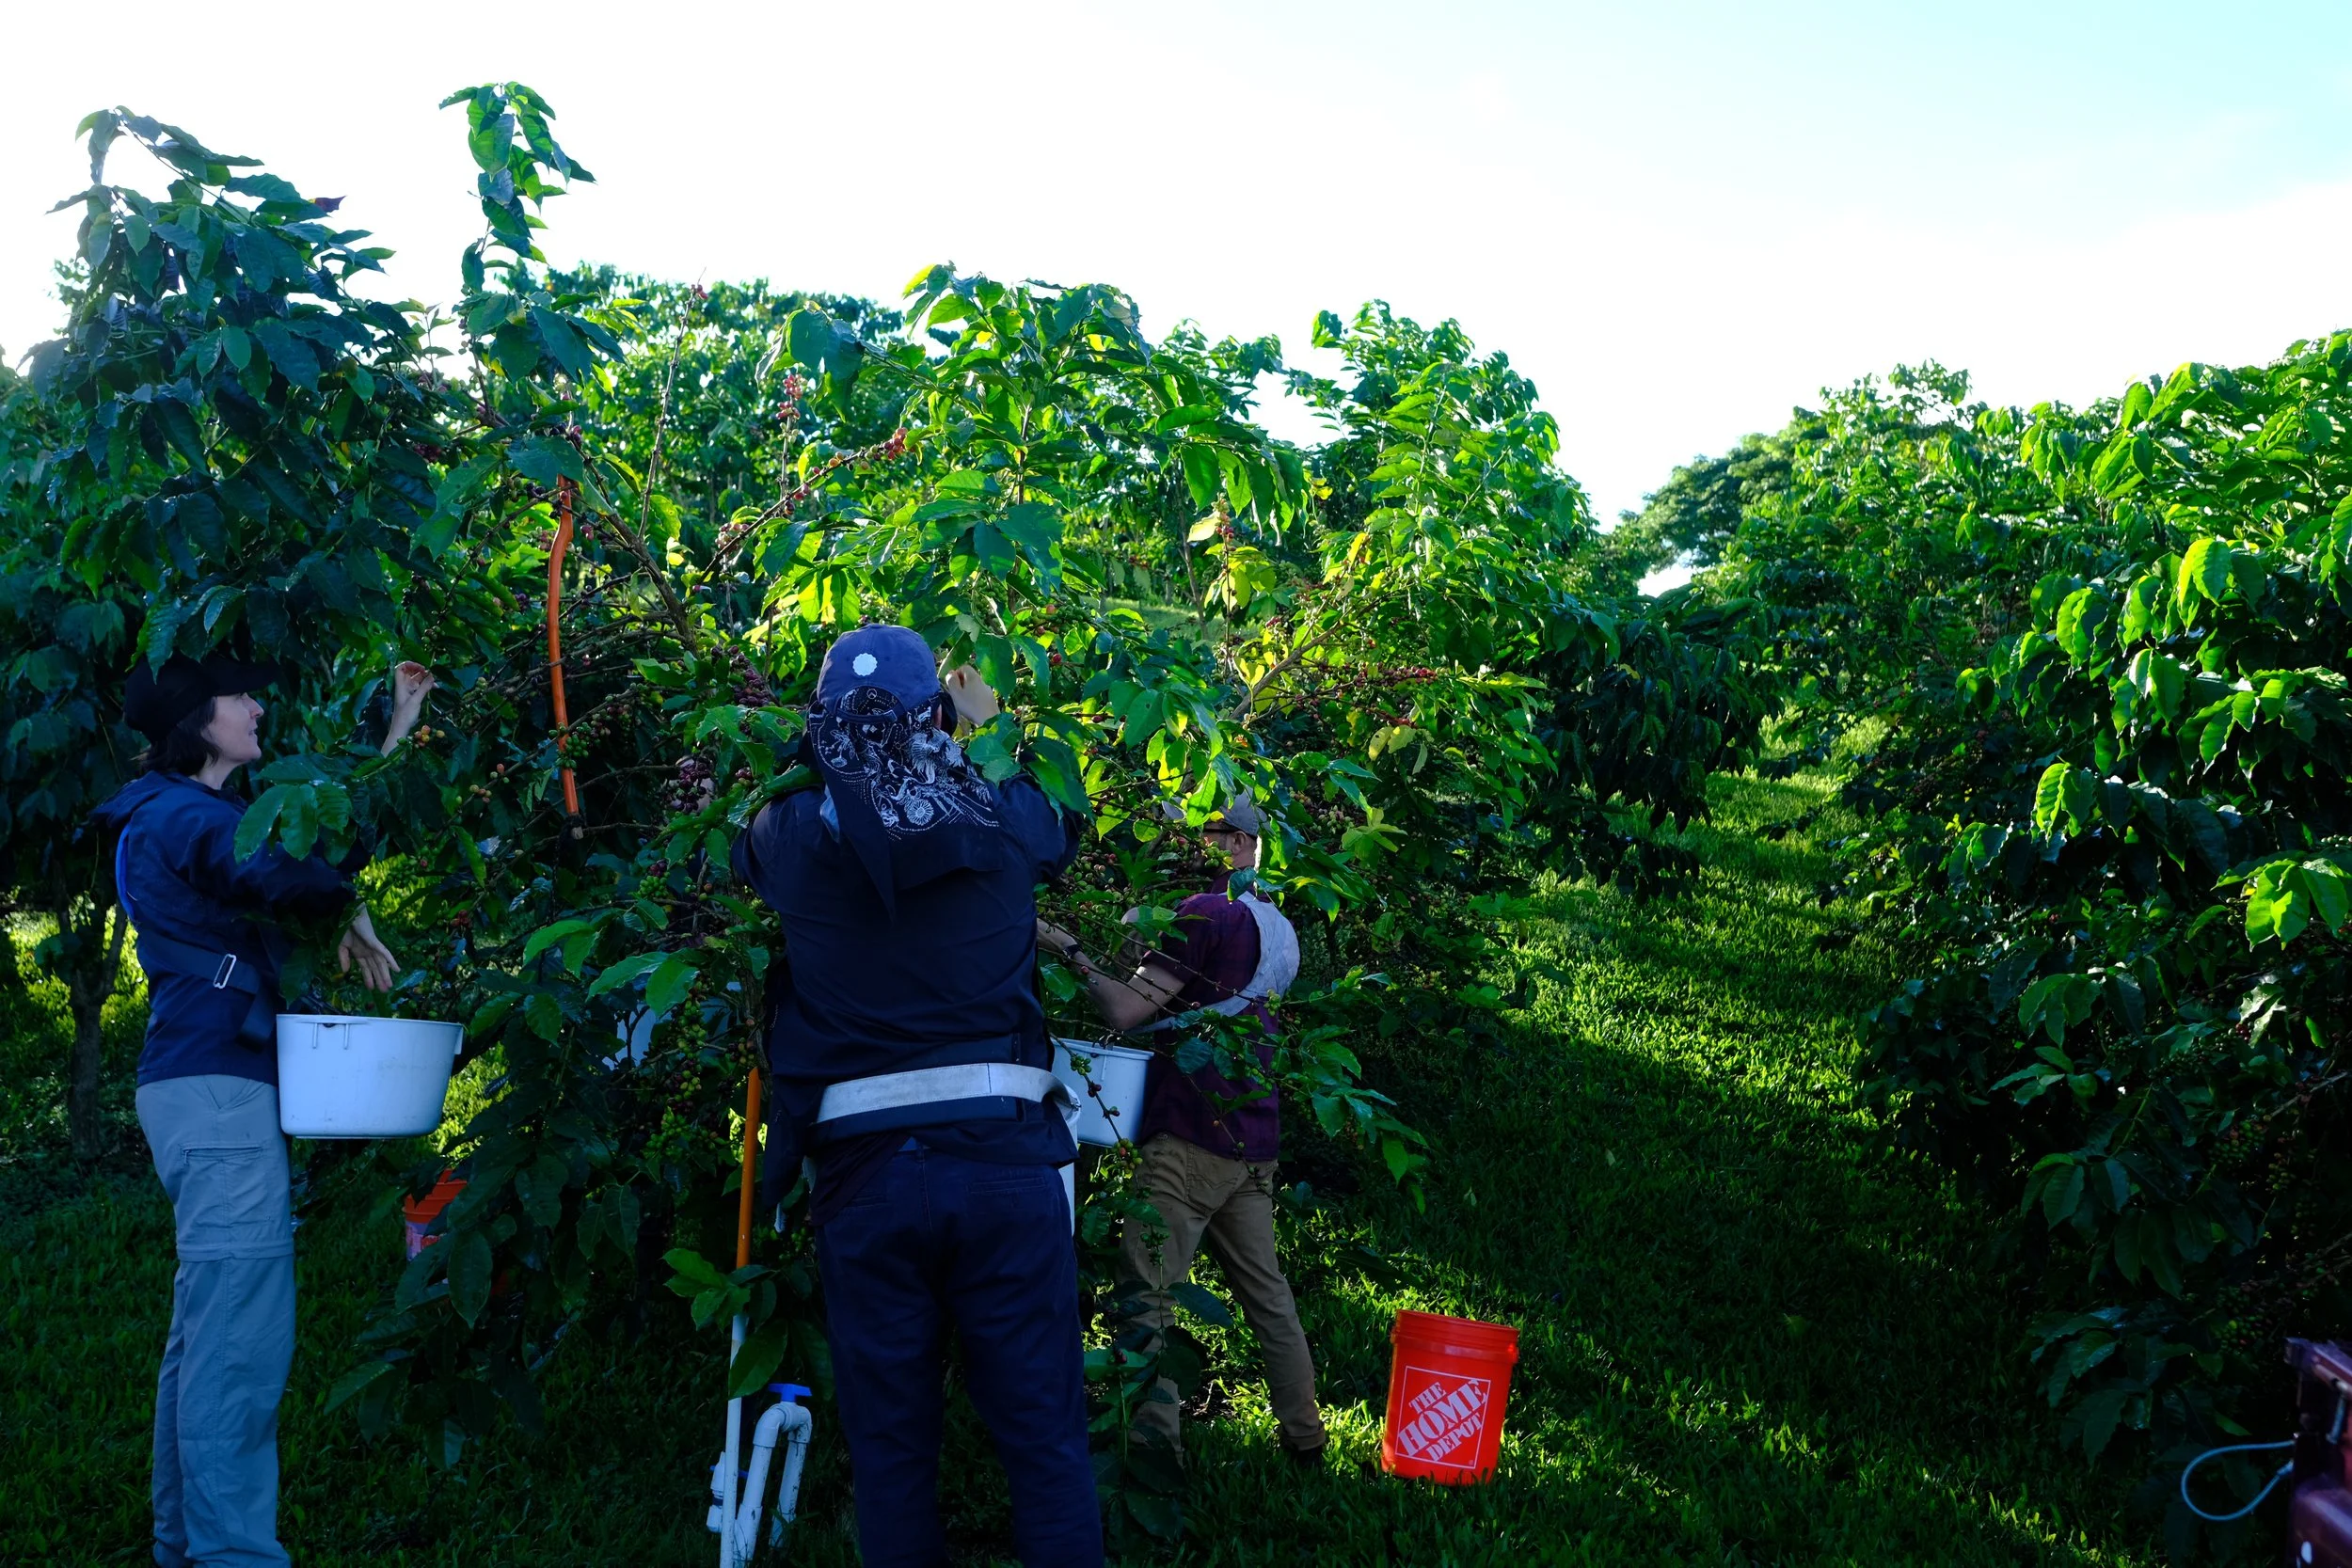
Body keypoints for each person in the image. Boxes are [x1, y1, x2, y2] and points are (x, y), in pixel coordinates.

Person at [730, 625, 1101, 1568]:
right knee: (1044, 1440)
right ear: (934, 712)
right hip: (1001, 1155)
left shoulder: (791, 832)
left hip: (863, 1173)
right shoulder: (1002, 810)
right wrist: (994, 725)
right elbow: (1067, 817)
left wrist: (804, 746)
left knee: (892, 1450)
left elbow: (747, 844)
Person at [90, 652, 432, 1568]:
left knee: (206, 1330)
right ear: (197, 719)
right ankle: (232, 1552)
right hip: (215, 1092)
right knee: (240, 1341)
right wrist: (387, 769)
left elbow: (300, 863)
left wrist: (391, 737)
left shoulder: (180, 814)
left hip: (199, 1087)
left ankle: (184, 1544)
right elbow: (298, 873)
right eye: (239, 695)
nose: (257, 704)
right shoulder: (185, 815)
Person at [1035, 793, 1328, 1466]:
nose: (1177, 846)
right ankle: (1306, 1438)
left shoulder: (1200, 914)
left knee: (1147, 1292)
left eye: (1198, 834)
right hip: (1252, 1142)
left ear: (1231, 843)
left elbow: (1124, 1008)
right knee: (1269, 1296)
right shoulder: (1277, 927)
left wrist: (1066, 945)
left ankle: (1152, 1451)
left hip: (1189, 1136)